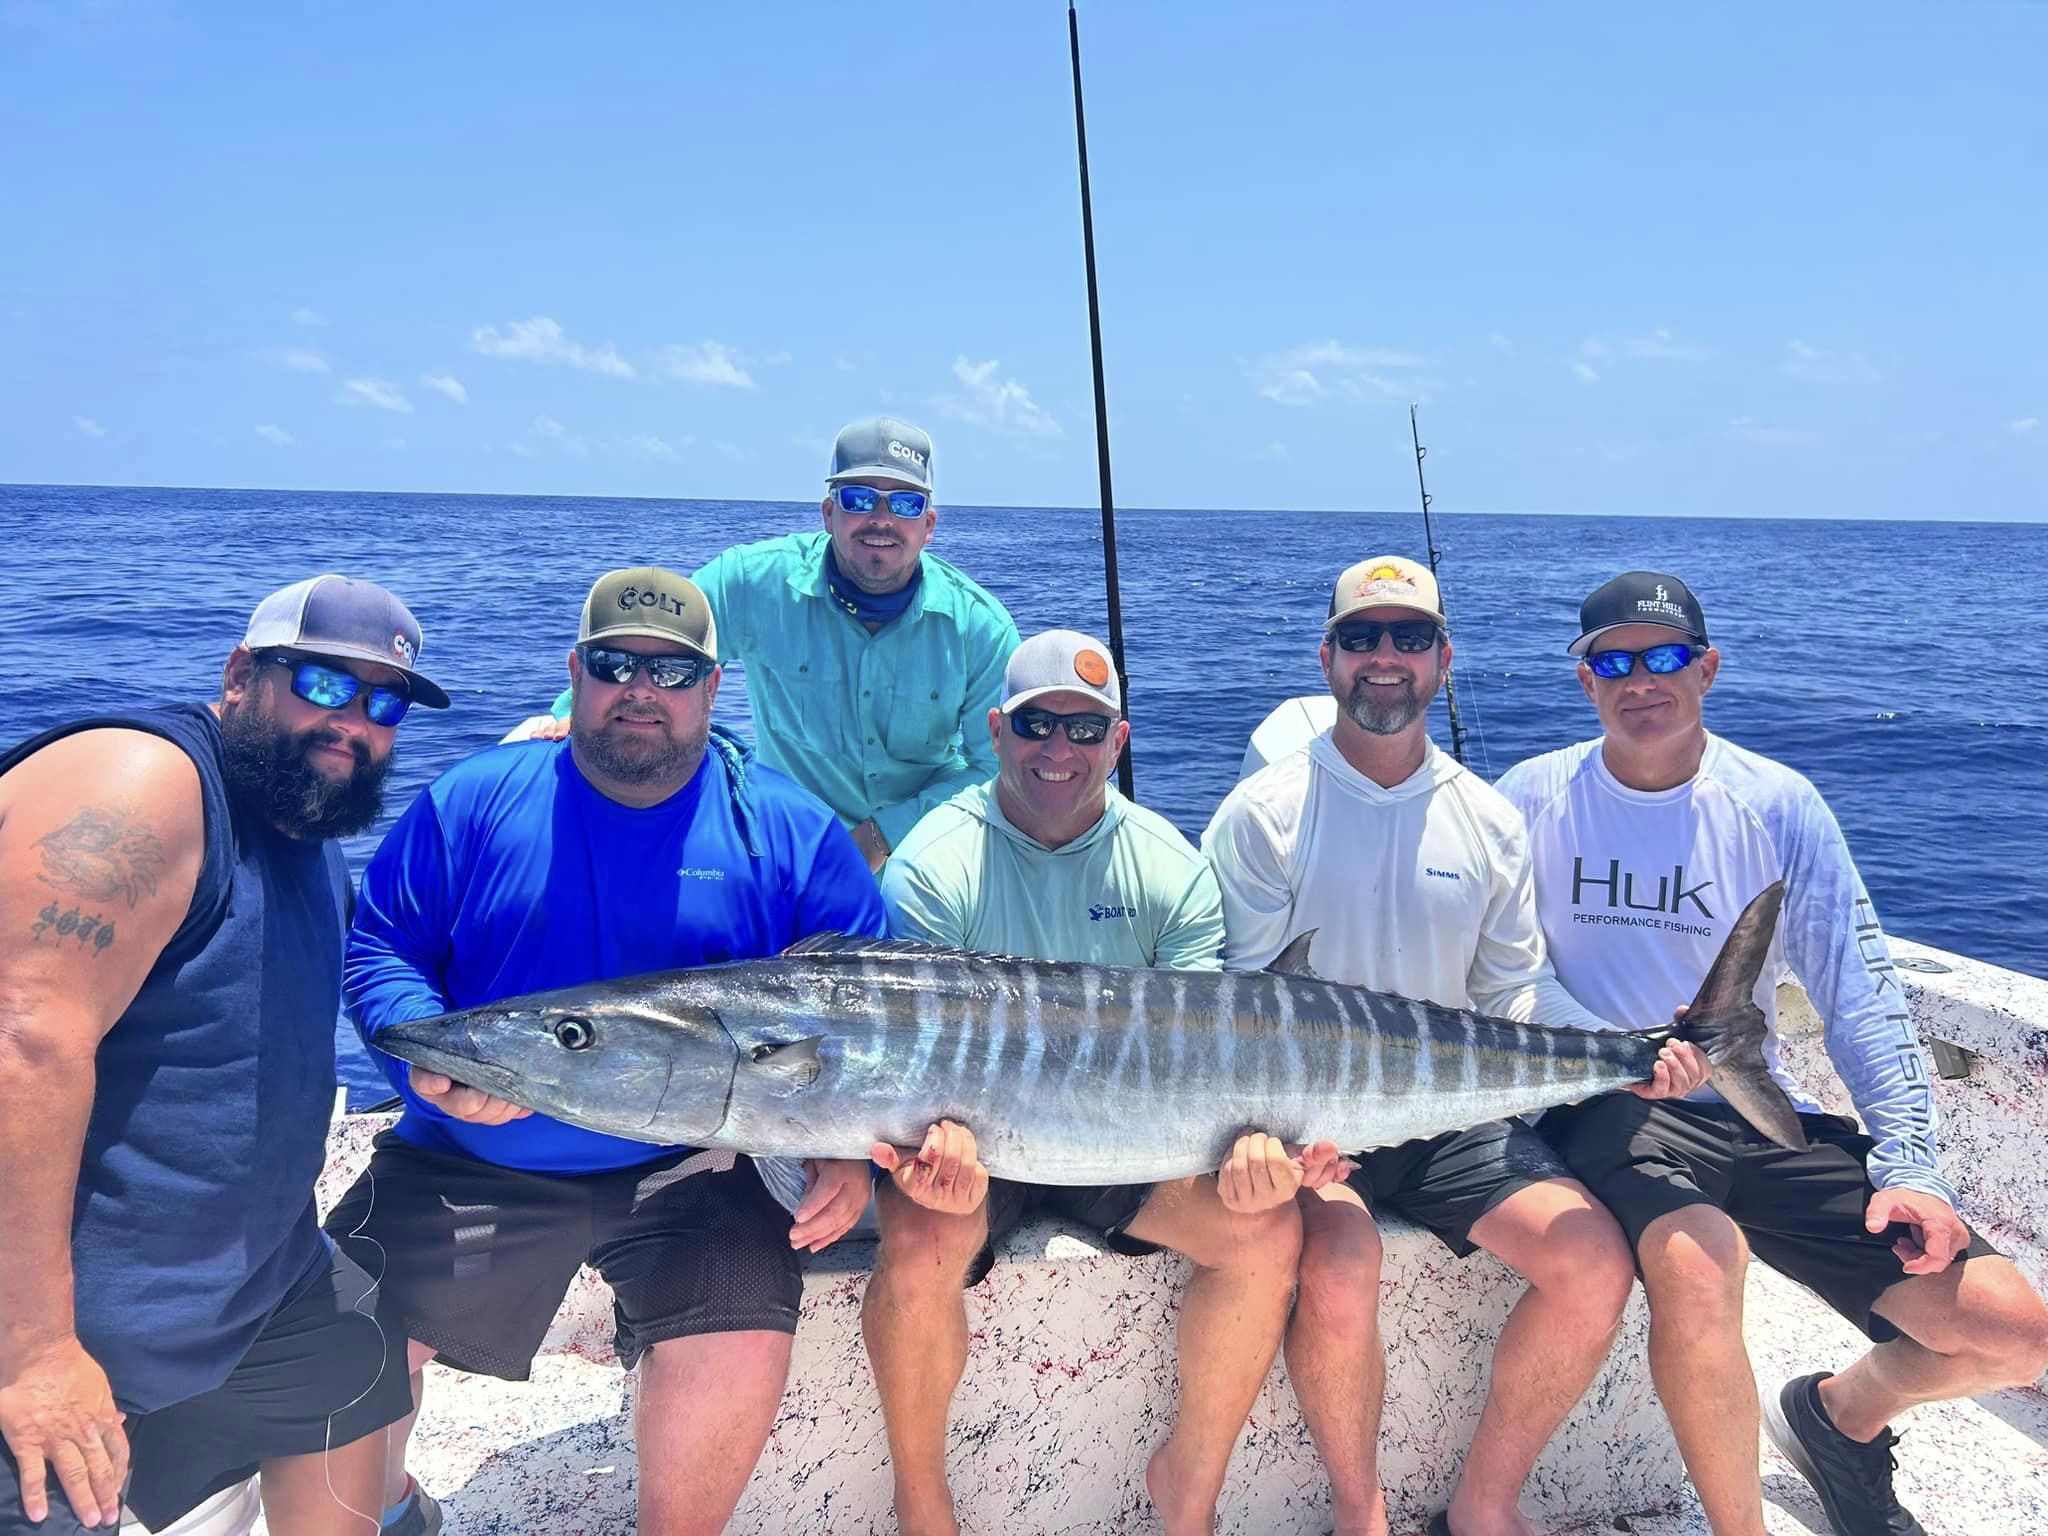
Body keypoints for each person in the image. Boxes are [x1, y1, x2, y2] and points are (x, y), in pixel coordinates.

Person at [323, 567, 888, 1536]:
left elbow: (871, 1003)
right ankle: (387, 1509)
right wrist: (422, 1062)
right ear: (576, 673)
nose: (642, 689)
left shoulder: (786, 828)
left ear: (714, 691)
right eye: (616, 664)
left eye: (672, 673)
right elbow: (381, 943)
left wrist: (845, 1143)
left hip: (691, 1167)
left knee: (742, 1331)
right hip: (473, 1154)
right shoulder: (472, 802)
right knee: (336, 1326)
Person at [1497, 570, 2048, 1536]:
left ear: (1707, 668)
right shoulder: (1532, 797)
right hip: (1610, 1105)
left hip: (1756, 1111)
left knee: (2015, 1334)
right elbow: (1491, 968)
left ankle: (1841, 1415)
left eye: (1664, 656)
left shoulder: (1779, 804)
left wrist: (1913, 1168)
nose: (1641, 679)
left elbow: (1858, 994)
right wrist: (1610, 1050)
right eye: (1613, 661)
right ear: (1585, 682)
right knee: (1702, 1266)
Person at [1201, 556, 1707, 1536]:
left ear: (1442, 660)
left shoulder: (1486, 819)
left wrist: (1627, 1051)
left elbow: (1511, 990)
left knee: (1592, 1263)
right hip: (1305, 1121)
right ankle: (1363, 1513)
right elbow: (1233, 1009)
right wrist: (1274, 1132)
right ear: (1327, 658)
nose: (1382, 659)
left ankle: (1483, 1503)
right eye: (1360, 638)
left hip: (1448, 1111)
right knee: (1341, 1267)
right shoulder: (1260, 814)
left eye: (1406, 639)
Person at [0, 575, 447, 1536]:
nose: (354, 725)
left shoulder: (304, 825)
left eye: (384, 703)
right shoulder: (140, 780)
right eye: (326, 685)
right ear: (241, 672)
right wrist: (32, 1350)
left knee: (361, 1337)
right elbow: (21, 1045)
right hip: (48, 1327)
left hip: (252, 1300)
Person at [868, 629, 1334, 1536]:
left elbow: (1211, 1057)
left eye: (1086, 731)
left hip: (1132, 1140)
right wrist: (931, 1148)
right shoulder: (934, 863)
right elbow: (915, 1055)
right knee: (924, 1245)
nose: (1059, 750)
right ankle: (924, 1504)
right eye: (1038, 724)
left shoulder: (1168, 866)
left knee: (1265, 1232)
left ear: (1117, 743)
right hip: (971, 1144)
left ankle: (1187, 1491)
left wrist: (1261, 1149)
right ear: (998, 731)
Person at [513, 417, 1019, 871]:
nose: (881, 519)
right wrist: (565, 719)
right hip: (783, 846)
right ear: (828, 512)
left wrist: (881, 836)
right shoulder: (748, 581)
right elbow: (653, 645)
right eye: (859, 498)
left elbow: (994, 767)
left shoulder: (981, 626)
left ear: (928, 525)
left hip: (928, 851)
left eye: (904, 503)